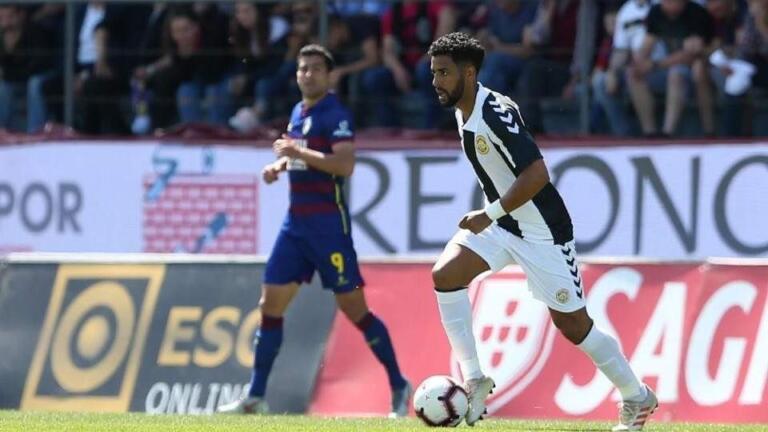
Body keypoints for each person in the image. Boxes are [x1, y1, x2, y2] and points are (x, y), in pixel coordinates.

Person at [426, 32, 658, 430]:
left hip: (542, 232)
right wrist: (495, 215)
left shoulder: (493, 113)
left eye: (444, 73)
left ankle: (637, 398)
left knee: (573, 325)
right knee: (445, 275)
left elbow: (537, 173)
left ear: (468, 72)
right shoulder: (463, 108)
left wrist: (490, 212)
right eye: (434, 73)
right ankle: (475, 378)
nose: (436, 82)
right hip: (503, 223)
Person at [217, 44, 411, 417]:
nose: (308, 74)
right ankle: (256, 396)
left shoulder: (334, 114)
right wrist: (280, 167)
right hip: (295, 227)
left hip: (328, 229)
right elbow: (302, 157)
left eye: (316, 69)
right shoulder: (298, 111)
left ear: (329, 75)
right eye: (303, 69)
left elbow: (344, 164)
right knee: (269, 306)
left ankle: (399, 385)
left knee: (356, 311)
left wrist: (296, 153)